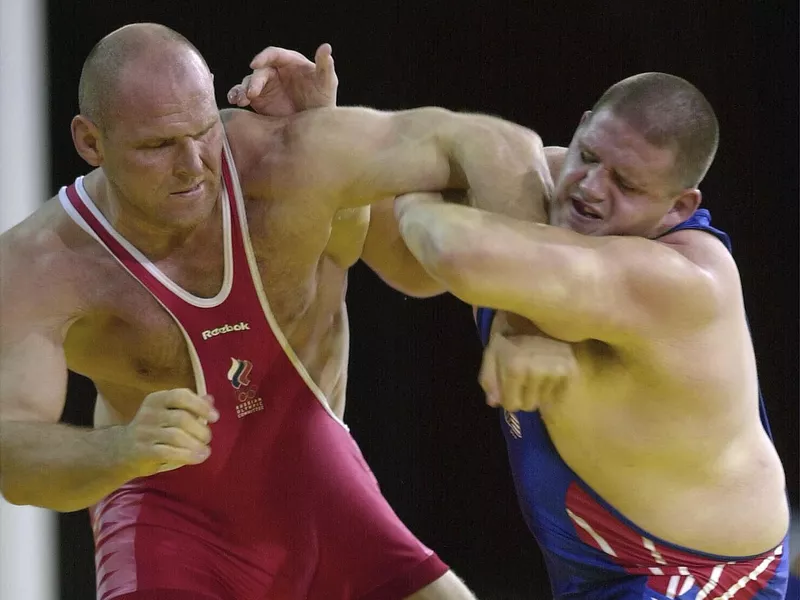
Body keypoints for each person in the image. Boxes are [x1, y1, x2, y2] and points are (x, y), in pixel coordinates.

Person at [0, 23, 553, 600]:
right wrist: (121, 449)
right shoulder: (43, 264)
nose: (193, 166)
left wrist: (525, 327)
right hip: (167, 522)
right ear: (91, 142)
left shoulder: (285, 159)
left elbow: (501, 147)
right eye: (158, 146)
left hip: (323, 496)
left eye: (203, 129)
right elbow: (12, 456)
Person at [385, 73, 789, 598]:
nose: (593, 189)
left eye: (627, 184)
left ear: (678, 208)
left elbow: (459, 256)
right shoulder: (550, 184)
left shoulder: (683, 283)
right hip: (594, 560)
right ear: (581, 129)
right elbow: (398, 259)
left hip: (693, 578)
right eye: (590, 156)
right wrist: (305, 117)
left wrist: (417, 194)